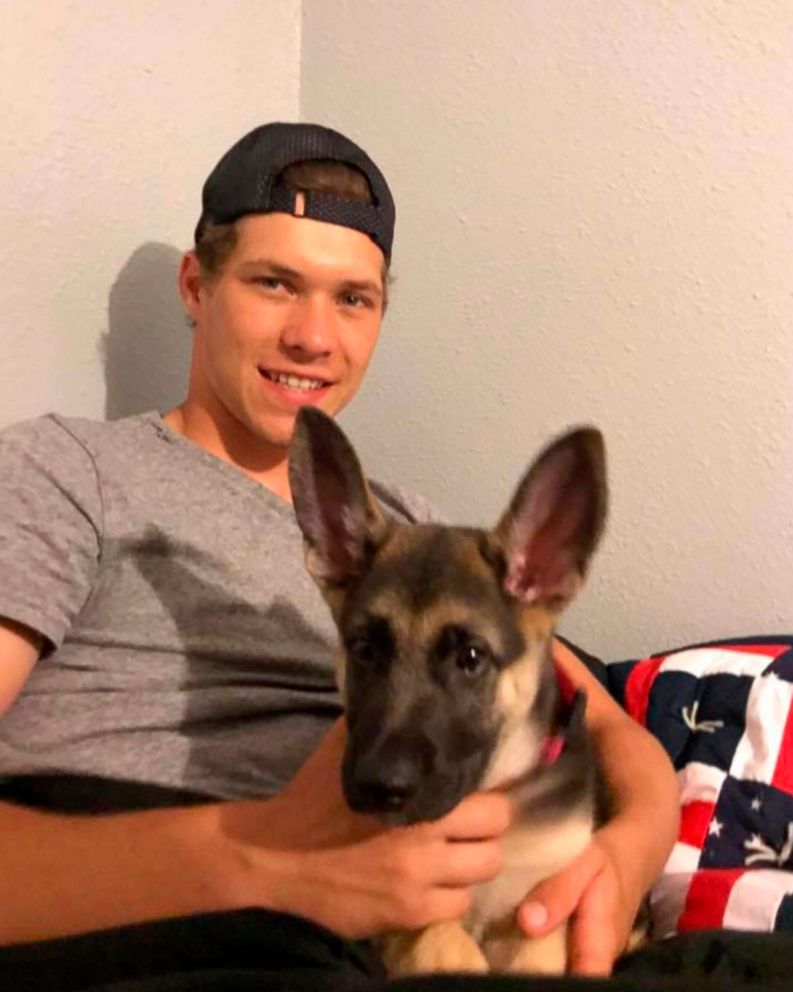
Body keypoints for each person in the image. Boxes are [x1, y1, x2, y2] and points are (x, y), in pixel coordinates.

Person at [0, 122, 678, 989]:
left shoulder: (416, 535)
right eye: (274, 283)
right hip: (177, 921)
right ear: (195, 285)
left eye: (352, 299)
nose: (313, 338)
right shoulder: (69, 473)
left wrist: (618, 861)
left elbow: (615, 734)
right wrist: (263, 863)